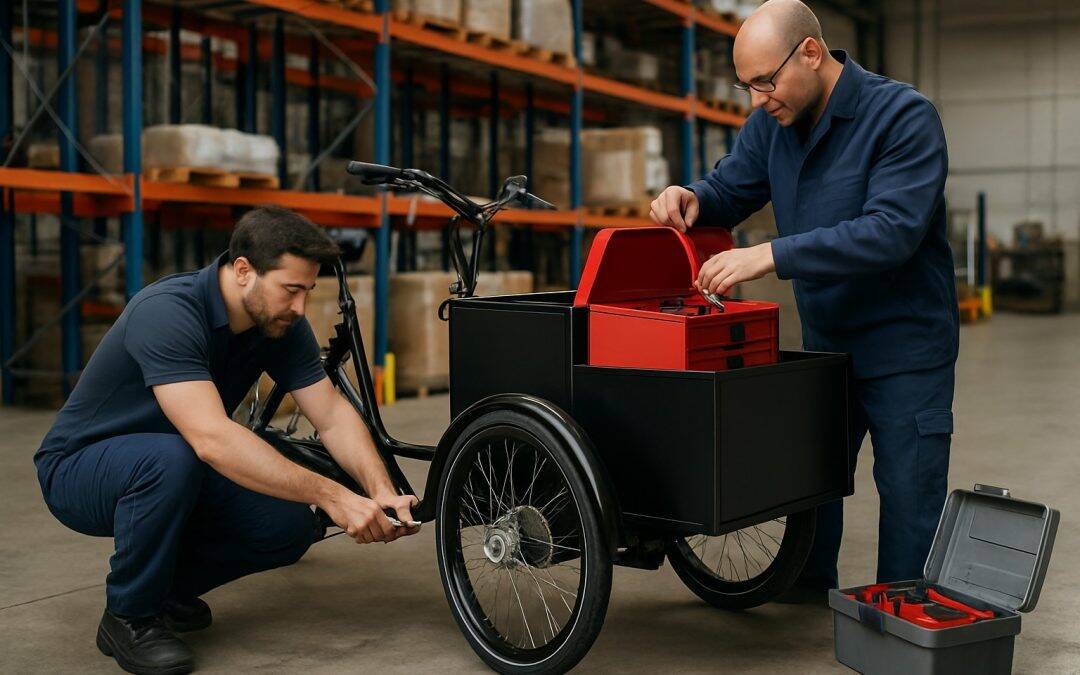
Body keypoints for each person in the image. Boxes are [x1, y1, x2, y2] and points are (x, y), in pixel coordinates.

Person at [650, 0, 958, 601]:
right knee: (810, 481)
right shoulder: (773, 122)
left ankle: (901, 621)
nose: (758, 99)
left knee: (909, 495)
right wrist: (691, 197)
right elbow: (730, 186)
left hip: (905, 349)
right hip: (828, 342)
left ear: (811, 53)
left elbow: (891, 230)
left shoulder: (902, 117)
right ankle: (803, 593)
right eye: (748, 87)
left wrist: (772, 254)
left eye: (766, 81)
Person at [34, 206, 419, 674]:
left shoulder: (280, 324)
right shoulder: (168, 311)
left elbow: (333, 415)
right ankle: (129, 615)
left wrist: (377, 489)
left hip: (178, 463)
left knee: (287, 525)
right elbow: (211, 439)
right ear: (243, 271)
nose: (300, 308)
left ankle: (164, 589)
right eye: (291, 290)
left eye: (308, 291)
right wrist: (334, 494)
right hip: (80, 468)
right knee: (172, 456)